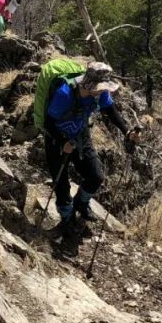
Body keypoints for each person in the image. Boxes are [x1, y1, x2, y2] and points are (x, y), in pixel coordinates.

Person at [44, 61, 141, 235]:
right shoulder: (65, 94)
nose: (103, 91)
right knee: (62, 185)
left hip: (81, 135)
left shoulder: (100, 93)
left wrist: (127, 132)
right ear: (88, 84)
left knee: (95, 175)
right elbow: (48, 122)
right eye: (100, 87)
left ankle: (81, 204)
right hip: (56, 139)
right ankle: (67, 219)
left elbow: (110, 110)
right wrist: (62, 141)